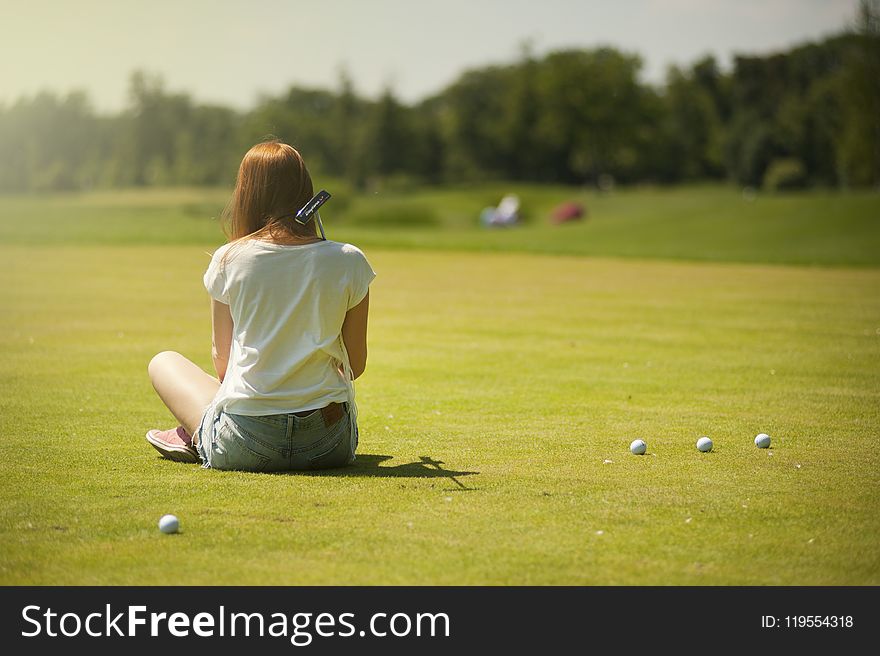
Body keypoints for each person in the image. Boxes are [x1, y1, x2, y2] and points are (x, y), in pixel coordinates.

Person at [145, 140, 376, 472]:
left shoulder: (229, 258)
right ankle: (203, 431)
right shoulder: (350, 260)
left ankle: (201, 433)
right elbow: (355, 366)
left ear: (247, 194)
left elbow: (222, 365)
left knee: (163, 362)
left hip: (245, 441)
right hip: (329, 444)